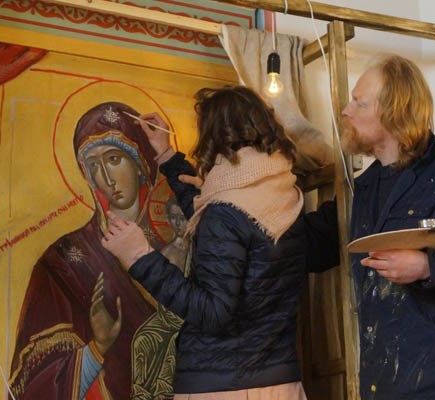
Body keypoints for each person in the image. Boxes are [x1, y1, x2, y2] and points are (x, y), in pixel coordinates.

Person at [314, 54, 435, 399]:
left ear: (395, 110)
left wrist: (426, 266)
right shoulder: (361, 191)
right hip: (382, 388)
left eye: (360, 103)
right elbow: (309, 244)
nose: (346, 111)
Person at [101, 86, 320, 399]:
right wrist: (168, 157)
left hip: (223, 386)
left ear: (214, 135)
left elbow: (212, 312)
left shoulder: (226, 211)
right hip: (279, 383)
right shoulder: (281, 194)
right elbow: (221, 230)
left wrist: (139, 255)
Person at [10, 102, 186, 400]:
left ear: (141, 163)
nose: (106, 176)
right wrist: (97, 348)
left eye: (114, 159)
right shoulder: (65, 259)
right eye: (93, 165)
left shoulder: (185, 238)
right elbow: (36, 385)